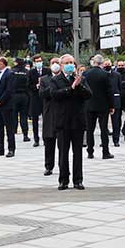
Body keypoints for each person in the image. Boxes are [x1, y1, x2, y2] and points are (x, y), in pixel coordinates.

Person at [48, 54, 91, 190]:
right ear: (61, 65)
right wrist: (70, 88)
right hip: (62, 121)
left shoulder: (81, 79)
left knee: (77, 152)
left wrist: (79, 86)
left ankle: (78, 180)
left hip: (78, 121)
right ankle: (63, 180)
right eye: (67, 63)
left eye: (72, 62)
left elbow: (89, 95)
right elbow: (55, 95)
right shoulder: (56, 80)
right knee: (63, 153)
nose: (70, 65)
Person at [83, 54, 114, 160]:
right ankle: (105, 152)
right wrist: (111, 105)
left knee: (89, 129)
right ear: (102, 63)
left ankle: (90, 152)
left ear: (93, 62)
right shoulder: (105, 74)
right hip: (103, 105)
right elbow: (109, 91)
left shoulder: (86, 73)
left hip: (89, 105)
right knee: (103, 129)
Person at [37, 57, 59, 175]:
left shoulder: (64, 78)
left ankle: (63, 165)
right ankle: (49, 166)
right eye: (53, 63)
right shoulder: (44, 79)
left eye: (57, 63)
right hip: (49, 113)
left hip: (62, 113)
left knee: (62, 143)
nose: (55, 65)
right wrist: (53, 86)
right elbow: (42, 94)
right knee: (49, 141)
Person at [28, 55, 46, 148]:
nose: (39, 62)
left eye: (40, 61)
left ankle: (46, 138)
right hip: (35, 97)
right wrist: (36, 86)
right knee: (35, 120)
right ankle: (36, 139)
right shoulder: (31, 72)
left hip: (44, 98)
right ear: (34, 63)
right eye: (37, 61)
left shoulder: (47, 70)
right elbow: (28, 85)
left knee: (46, 119)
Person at [12, 58, 31, 142]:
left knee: (13, 116)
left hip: (14, 96)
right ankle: (25, 135)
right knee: (24, 116)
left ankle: (13, 132)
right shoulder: (27, 72)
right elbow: (29, 84)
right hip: (24, 95)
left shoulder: (12, 71)